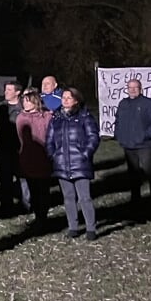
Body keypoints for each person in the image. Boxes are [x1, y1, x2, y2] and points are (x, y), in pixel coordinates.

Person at [46, 87, 100, 240]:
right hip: (61, 163)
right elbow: (49, 139)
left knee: (85, 197)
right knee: (68, 197)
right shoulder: (56, 118)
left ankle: (91, 228)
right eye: (63, 97)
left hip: (80, 163)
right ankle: (73, 227)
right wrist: (53, 155)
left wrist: (85, 154)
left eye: (69, 98)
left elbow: (93, 137)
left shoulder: (85, 117)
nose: (65, 100)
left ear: (76, 100)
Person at [114, 79, 151, 218]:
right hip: (128, 145)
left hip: (144, 146)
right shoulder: (123, 104)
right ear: (126, 89)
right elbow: (117, 120)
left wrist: (146, 135)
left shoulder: (149, 103)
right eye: (130, 87)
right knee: (133, 175)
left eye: (135, 87)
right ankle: (135, 204)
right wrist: (118, 135)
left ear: (140, 88)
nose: (132, 90)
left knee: (150, 173)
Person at [15, 88, 53, 229]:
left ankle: (43, 216)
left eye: (28, 101)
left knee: (43, 189)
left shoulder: (46, 117)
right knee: (33, 188)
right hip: (28, 157)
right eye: (24, 101)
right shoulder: (21, 118)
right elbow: (21, 136)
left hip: (43, 157)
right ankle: (37, 215)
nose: (25, 104)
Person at [0, 80, 29, 215]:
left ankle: (26, 204)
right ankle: (6, 206)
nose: (5, 92)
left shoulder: (24, 107)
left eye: (9, 90)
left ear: (17, 92)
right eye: (5, 89)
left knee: (23, 178)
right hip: (4, 149)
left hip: (21, 149)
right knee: (5, 178)